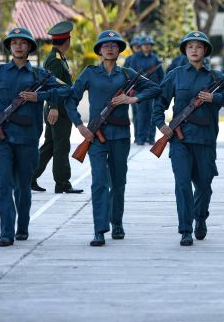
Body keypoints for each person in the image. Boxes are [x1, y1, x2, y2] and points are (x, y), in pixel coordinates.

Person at [0, 27, 67, 247]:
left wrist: (39, 96)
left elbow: (67, 91)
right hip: (1, 139)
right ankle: (6, 232)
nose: (18, 45)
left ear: (29, 48)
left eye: (22, 42)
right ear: (9, 47)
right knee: (4, 185)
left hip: (27, 139)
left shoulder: (40, 75)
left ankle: (22, 225)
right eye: (14, 42)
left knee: (22, 187)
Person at [66, 30, 160, 246]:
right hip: (95, 136)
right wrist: (80, 126)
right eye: (105, 45)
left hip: (120, 136)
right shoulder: (89, 73)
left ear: (119, 50)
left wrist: (133, 98)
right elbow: (70, 100)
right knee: (99, 182)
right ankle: (99, 229)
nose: (109, 48)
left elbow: (155, 88)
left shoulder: (127, 74)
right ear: (99, 50)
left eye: (114, 45)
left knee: (118, 182)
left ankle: (116, 222)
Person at [153, 31, 224, 246]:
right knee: (182, 184)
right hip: (180, 140)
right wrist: (161, 124)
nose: (194, 50)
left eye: (199, 46)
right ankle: (185, 229)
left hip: (205, 140)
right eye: (190, 46)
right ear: (185, 51)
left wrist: (216, 97)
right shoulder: (175, 75)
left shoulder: (215, 77)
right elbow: (159, 102)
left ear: (205, 51)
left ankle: (200, 218)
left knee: (204, 186)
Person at [30, 21, 83, 194]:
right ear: (67, 41)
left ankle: (29, 176)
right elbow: (51, 85)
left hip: (57, 108)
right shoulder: (55, 60)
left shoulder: (57, 58)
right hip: (57, 109)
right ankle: (62, 183)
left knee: (50, 146)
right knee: (61, 146)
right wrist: (54, 107)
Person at [128, 35, 164, 145]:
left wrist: (161, 89)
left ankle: (151, 138)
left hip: (153, 91)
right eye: (144, 45)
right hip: (140, 91)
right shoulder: (135, 58)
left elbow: (161, 76)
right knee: (141, 115)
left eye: (149, 45)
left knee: (152, 115)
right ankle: (140, 138)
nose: (147, 47)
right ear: (141, 46)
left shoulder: (156, 58)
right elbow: (131, 73)